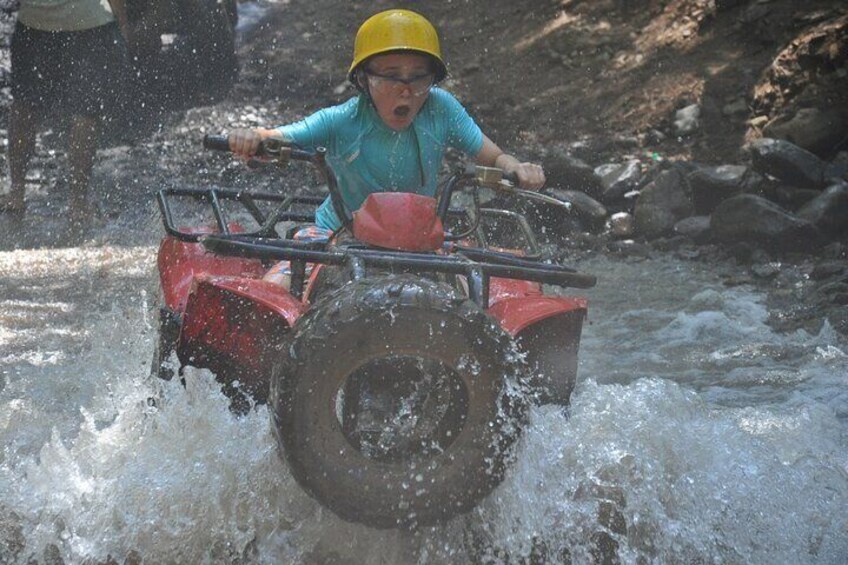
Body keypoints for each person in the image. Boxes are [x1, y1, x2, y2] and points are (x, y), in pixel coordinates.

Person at [228, 8, 545, 247]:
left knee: (474, 293)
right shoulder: (341, 119)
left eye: (419, 76)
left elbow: (492, 156)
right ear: (364, 79)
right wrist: (251, 139)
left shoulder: (441, 108)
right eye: (392, 75)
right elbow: (278, 138)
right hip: (338, 232)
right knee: (283, 285)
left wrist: (517, 167)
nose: (406, 89)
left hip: (417, 238)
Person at [1, 0, 130, 227]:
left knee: (24, 107)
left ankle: (16, 193)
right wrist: (122, 23)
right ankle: (77, 204)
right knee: (85, 113)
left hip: (35, 20)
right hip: (89, 21)